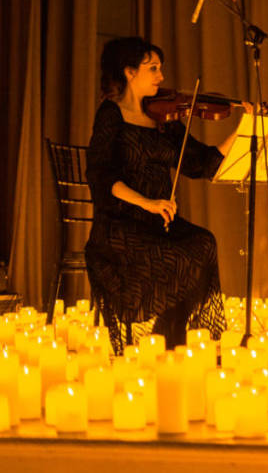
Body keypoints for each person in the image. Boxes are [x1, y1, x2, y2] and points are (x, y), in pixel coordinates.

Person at [85, 37, 250, 353]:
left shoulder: (164, 118)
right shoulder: (111, 114)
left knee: (203, 242)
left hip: (160, 222)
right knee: (179, 257)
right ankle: (168, 337)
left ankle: (169, 334)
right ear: (129, 72)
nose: (161, 77)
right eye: (153, 68)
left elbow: (199, 163)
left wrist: (243, 127)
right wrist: (146, 202)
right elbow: (100, 175)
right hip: (121, 224)